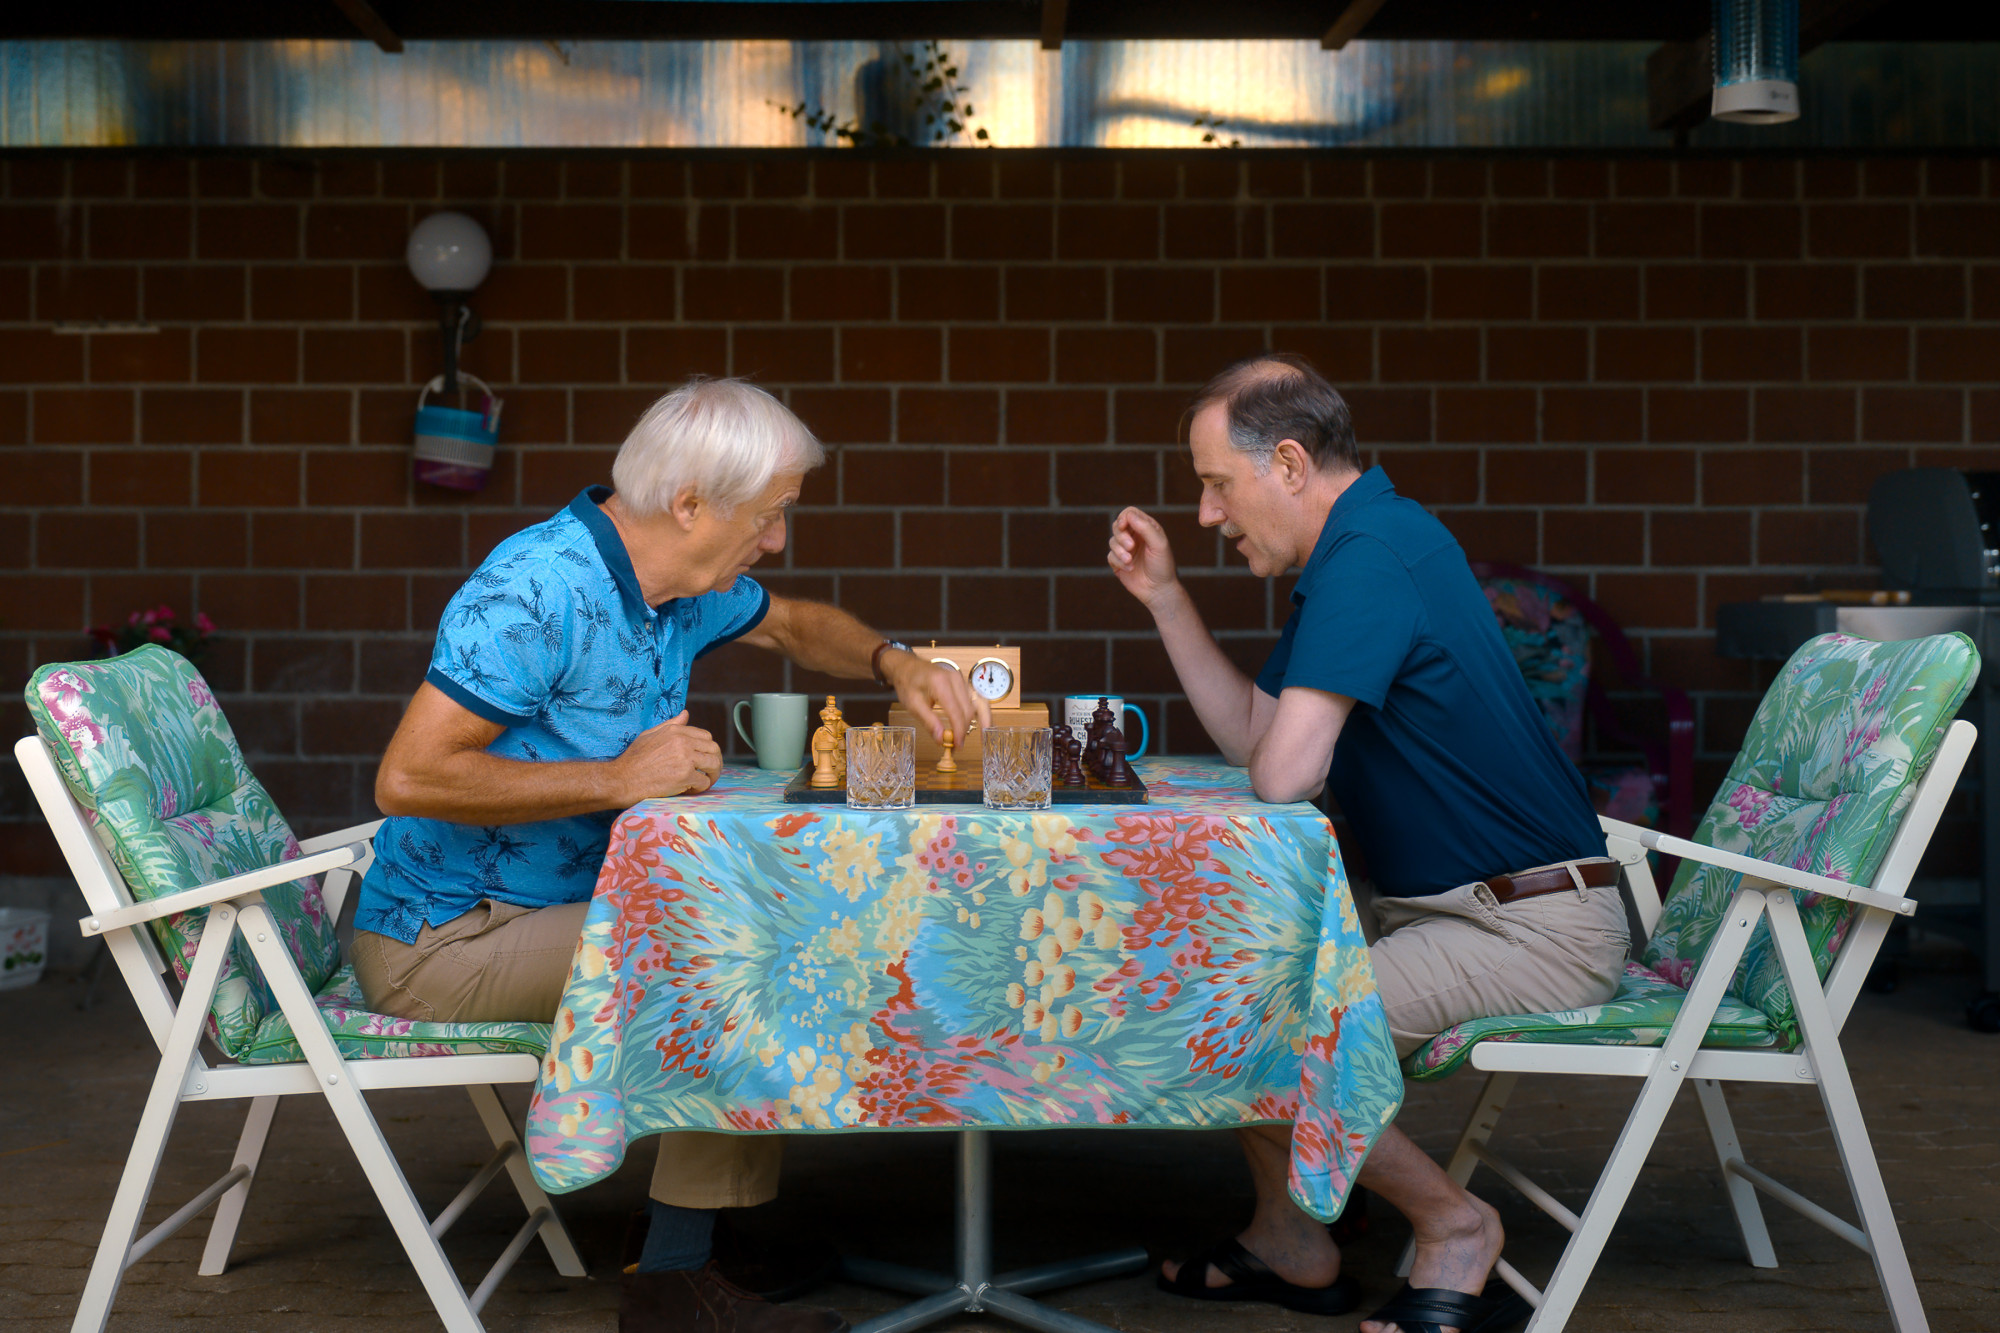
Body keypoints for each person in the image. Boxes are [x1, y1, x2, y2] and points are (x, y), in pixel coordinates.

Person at [352, 377, 989, 1333]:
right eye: (770, 515)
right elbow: (407, 778)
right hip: (447, 940)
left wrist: (897, 661)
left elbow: (791, 622)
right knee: (729, 949)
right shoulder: (535, 590)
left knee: (763, 913)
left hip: (561, 913)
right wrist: (618, 776)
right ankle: (674, 1282)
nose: (776, 538)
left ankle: (718, 1232)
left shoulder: (674, 587)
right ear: (689, 504)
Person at [1107, 354, 1628, 1333]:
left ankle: (1454, 1227)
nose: (1208, 514)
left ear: (1291, 464)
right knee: (1236, 987)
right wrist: (1166, 599)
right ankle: (1289, 1237)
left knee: (1255, 1028)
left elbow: (1283, 773)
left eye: (1217, 484)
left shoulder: (1369, 558)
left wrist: (1276, 753)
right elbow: (1255, 740)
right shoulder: (1359, 548)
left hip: (1529, 927)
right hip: (1473, 906)